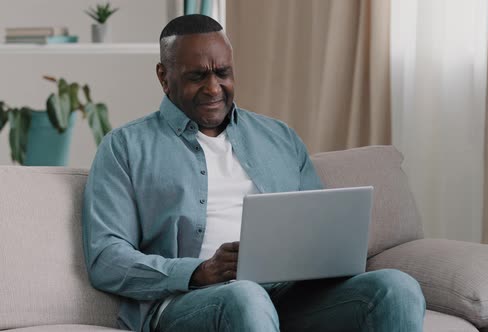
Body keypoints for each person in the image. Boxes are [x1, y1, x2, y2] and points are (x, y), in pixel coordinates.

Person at [82, 14, 425, 332]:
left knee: (397, 287)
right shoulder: (125, 147)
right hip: (190, 301)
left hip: (289, 294)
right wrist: (199, 272)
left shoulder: (278, 137)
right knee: (246, 296)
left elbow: (316, 227)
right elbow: (106, 258)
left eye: (223, 73)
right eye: (197, 76)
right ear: (163, 76)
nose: (214, 88)